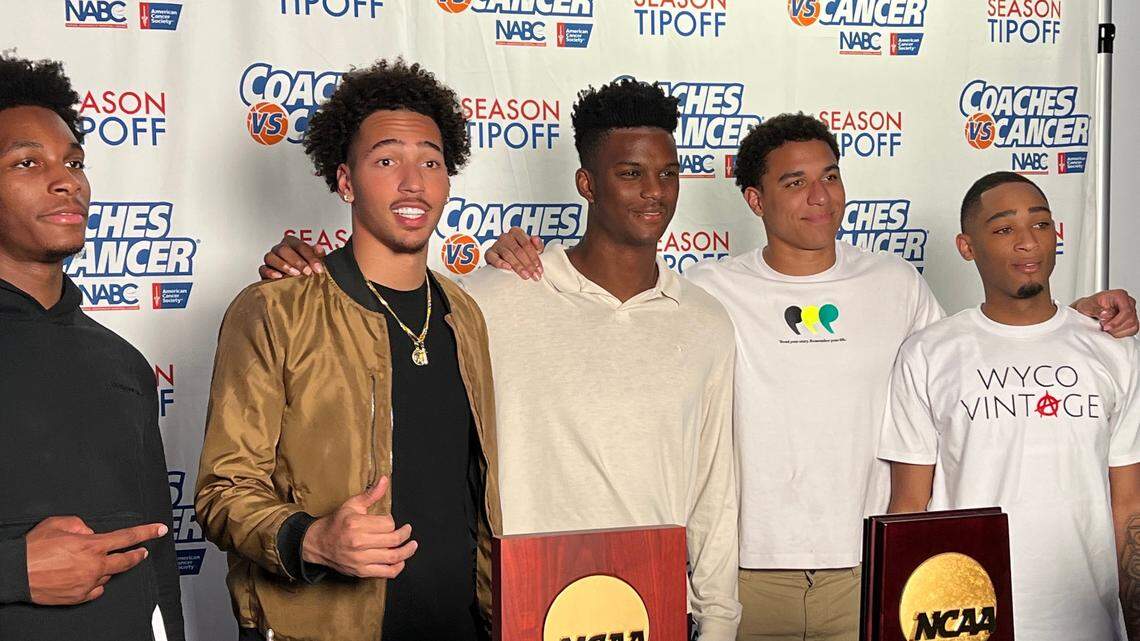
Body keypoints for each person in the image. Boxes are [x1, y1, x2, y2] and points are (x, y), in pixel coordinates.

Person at [480, 112, 1138, 641]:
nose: (819, 197)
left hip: (866, 572)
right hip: (742, 580)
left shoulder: (895, 283)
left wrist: (1074, 320)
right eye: (794, 182)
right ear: (755, 199)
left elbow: (972, 353)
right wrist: (516, 261)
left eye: (829, 176)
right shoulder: (704, 294)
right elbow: (609, 333)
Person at [260, 77, 742, 639]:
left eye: (668, 173)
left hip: (652, 602)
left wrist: (720, 617)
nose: (653, 192)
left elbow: (714, 487)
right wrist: (309, 277)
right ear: (586, 182)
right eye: (630, 173)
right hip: (525, 600)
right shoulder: (492, 299)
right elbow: (389, 298)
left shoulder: (706, 321)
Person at [195, 59, 501, 641]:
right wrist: (311, 538)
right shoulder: (276, 310)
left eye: (430, 161)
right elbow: (222, 491)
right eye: (386, 160)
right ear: (345, 180)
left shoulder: (465, 314)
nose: (412, 181)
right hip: (320, 628)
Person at [880, 171, 1140, 641]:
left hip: (1087, 622)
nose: (1028, 243)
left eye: (1040, 225)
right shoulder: (928, 353)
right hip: (963, 621)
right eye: (1004, 229)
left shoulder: (1115, 349)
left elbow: (1129, 505)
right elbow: (909, 507)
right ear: (967, 246)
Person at [0, 53, 184, 641]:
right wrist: (13, 572)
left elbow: (158, 555)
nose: (66, 180)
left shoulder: (121, 361)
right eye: (27, 162)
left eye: (74, 162)